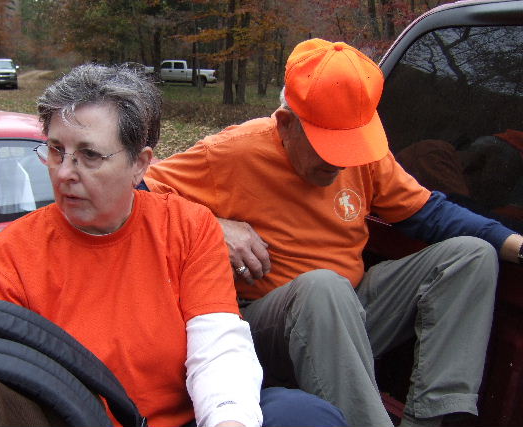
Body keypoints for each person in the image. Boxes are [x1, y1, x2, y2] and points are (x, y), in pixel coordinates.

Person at [0, 64, 346, 427]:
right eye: (56, 150)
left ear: (140, 164)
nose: (65, 172)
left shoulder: (187, 227)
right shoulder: (3, 262)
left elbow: (218, 346)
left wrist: (229, 419)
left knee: (305, 414)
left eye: (89, 155)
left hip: (190, 419)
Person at [143, 38, 523, 427]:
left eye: (350, 144)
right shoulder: (231, 152)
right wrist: (213, 226)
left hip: (349, 311)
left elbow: (430, 212)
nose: (342, 162)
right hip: (267, 325)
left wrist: (518, 246)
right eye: (329, 145)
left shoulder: (365, 155)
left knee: (471, 255)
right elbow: (137, 193)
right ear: (286, 123)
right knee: (322, 287)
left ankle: (432, 420)